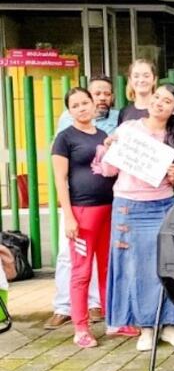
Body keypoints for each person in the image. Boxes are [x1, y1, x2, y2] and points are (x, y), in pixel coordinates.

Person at [99, 84, 174, 353]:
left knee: (166, 265)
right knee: (136, 267)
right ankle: (146, 327)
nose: (159, 103)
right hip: (129, 206)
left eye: (166, 101)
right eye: (156, 98)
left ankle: (168, 323)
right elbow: (107, 170)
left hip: (163, 204)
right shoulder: (129, 129)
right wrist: (108, 146)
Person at [46, 75, 118, 331]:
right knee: (81, 270)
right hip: (82, 211)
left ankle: (114, 321)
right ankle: (81, 327)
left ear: (93, 103)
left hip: (108, 210)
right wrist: (68, 216)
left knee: (107, 267)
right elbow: (60, 179)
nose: (82, 108)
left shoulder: (102, 135)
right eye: (75, 105)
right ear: (69, 111)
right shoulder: (64, 138)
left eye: (85, 103)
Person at [117, 59, 156, 125]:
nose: (141, 80)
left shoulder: (161, 109)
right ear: (130, 80)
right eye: (136, 76)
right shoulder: (124, 112)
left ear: (154, 79)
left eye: (146, 76)